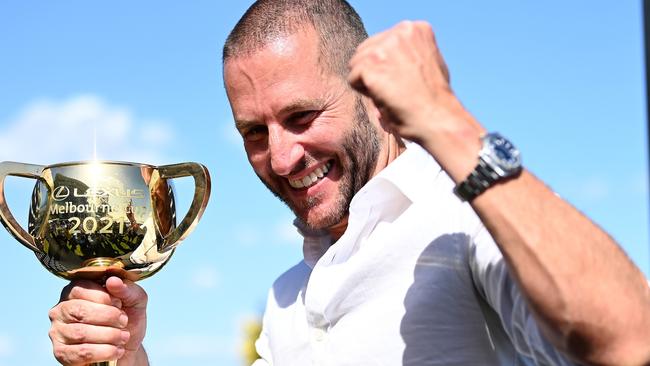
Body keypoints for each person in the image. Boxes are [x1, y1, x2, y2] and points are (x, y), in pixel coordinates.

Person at [48, 0, 650, 365]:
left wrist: (446, 118)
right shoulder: (290, 295)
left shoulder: (464, 222)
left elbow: (629, 340)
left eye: (302, 117)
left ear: (368, 94)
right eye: (254, 132)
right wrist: (126, 358)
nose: (281, 158)